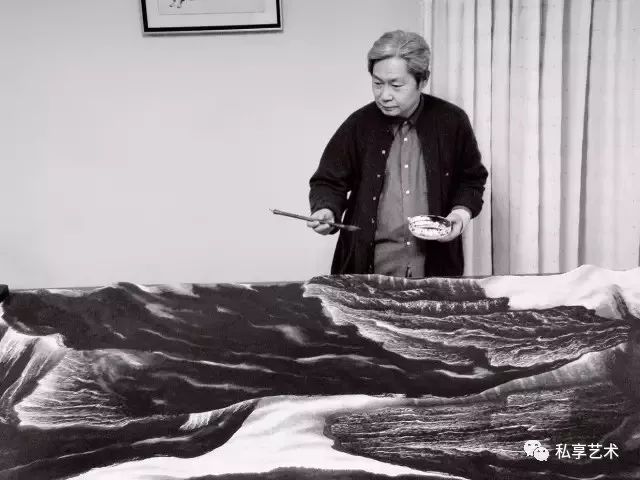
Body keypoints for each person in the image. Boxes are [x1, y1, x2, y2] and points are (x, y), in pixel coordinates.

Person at [307, 30, 488, 277]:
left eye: (396, 85)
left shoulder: (452, 121)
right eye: (377, 83)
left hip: (436, 268)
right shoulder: (359, 124)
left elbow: (472, 180)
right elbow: (328, 181)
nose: (384, 95)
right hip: (367, 271)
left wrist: (460, 214)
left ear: (423, 80)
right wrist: (327, 209)